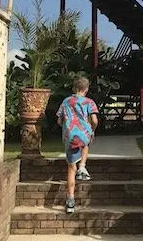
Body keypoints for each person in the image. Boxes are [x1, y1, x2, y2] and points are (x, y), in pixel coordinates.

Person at [56, 76, 99, 214]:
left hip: (70, 136)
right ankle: (83, 167)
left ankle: (70, 199)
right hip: (83, 132)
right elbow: (94, 120)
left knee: (70, 168)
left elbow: (59, 121)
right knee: (87, 141)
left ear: (74, 88)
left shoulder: (66, 101)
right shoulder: (89, 102)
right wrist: (92, 129)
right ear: (86, 89)